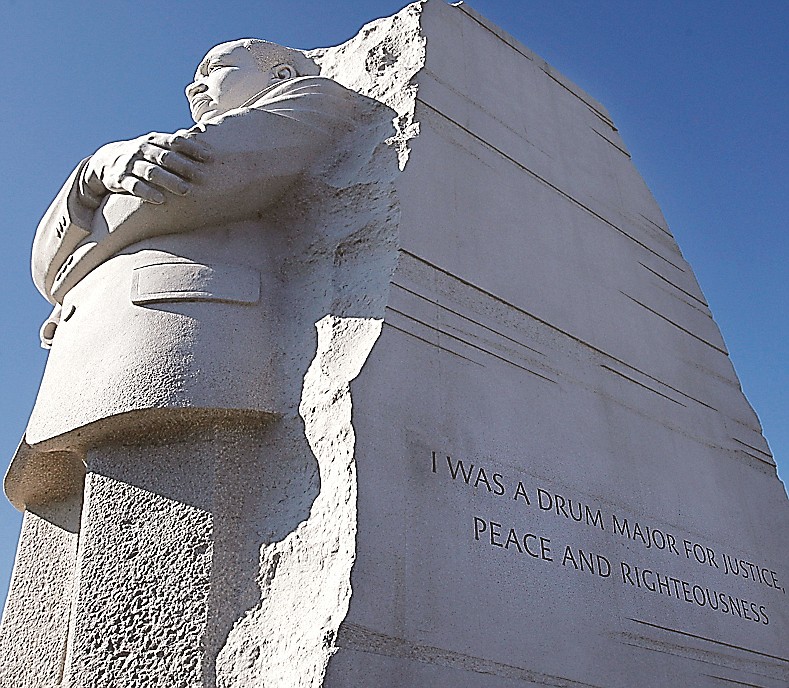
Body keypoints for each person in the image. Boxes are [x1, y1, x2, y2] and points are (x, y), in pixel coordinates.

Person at [7, 38, 385, 510]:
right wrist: (97, 170)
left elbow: (192, 182)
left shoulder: (316, 99)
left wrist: (73, 264)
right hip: (85, 358)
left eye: (216, 67)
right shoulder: (132, 157)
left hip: (178, 345)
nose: (194, 86)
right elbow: (42, 268)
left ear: (281, 76)